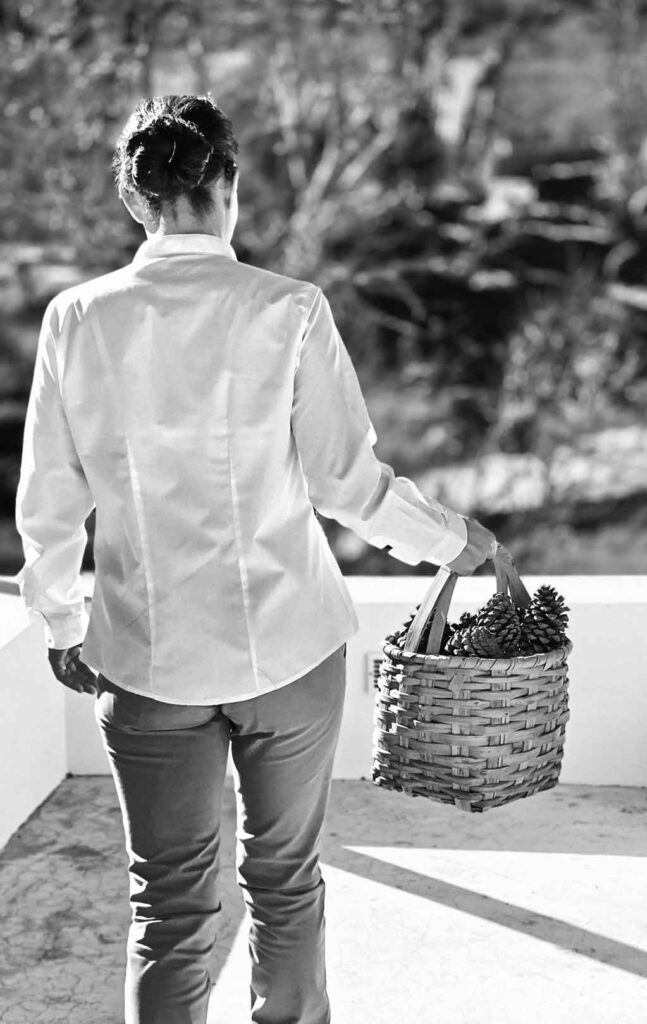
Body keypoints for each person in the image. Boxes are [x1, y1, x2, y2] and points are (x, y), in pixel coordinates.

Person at [14, 93, 496, 1024]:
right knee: (286, 882)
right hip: (290, 649)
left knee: (167, 906)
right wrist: (448, 540)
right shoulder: (290, 308)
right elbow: (346, 483)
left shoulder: (75, 318)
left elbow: (50, 498)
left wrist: (64, 621)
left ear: (135, 200)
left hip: (146, 656)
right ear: (231, 186)